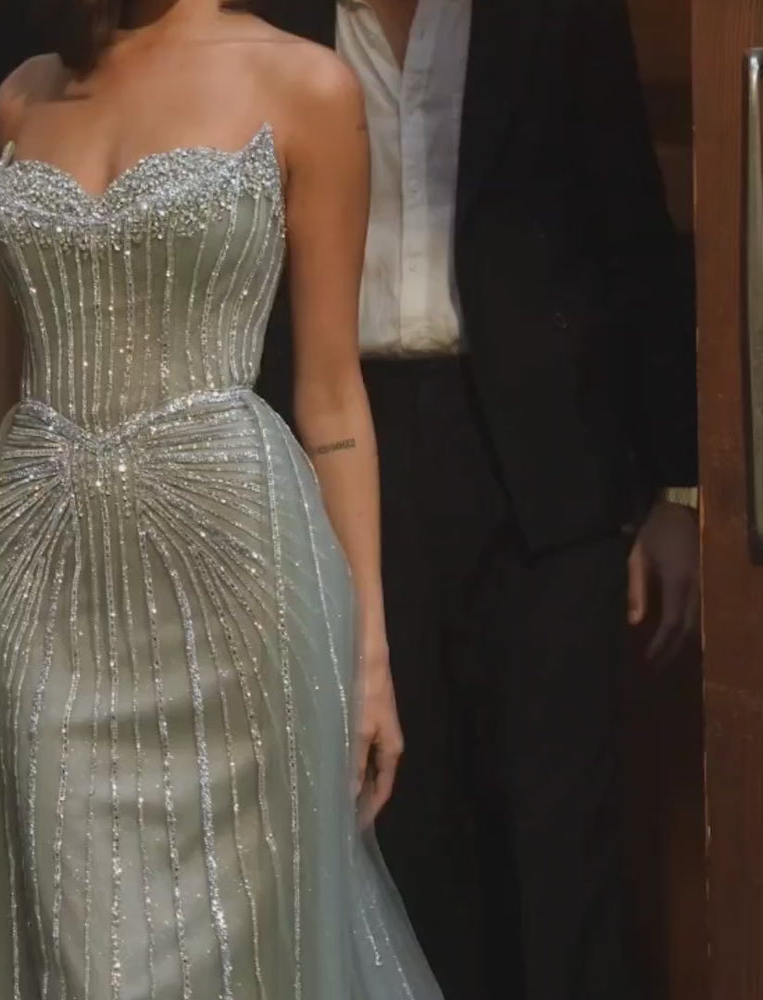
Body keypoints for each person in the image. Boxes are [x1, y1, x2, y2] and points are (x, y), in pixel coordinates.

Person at [0, 1, 443, 997]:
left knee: (244, 949)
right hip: (48, 577)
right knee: (80, 945)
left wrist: (368, 655)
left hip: (233, 583)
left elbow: (330, 393)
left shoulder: (306, 84)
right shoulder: (22, 97)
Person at [255, 3, 700, 1000]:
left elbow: (632, 228)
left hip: (548, 461)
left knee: (562, 847)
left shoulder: (556, 15)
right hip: (343, 445)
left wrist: (675, 486)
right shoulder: (275, 19)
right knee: (399, 828)